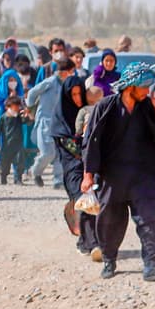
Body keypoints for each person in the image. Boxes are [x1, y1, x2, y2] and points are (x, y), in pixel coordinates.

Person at [81, 63, 155, 281]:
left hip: (143, 175)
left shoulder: (147, 106)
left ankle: (152, 266)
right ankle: (109, 259)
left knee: (150, 220)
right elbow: (90, 142)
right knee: (109, 222)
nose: (148, 91)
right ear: (130, 86)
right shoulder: (106, 107)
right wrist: (88, 175)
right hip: (112, 176)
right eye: (144, 86)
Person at [53, 60, 97, 257]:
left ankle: (88, 241)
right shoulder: (60, 122)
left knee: (96, 203)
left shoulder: (89, 114)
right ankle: (92, 243)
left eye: (81, 94)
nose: (78, 99)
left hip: (92, 165)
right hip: (73, 168)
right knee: (85, 200)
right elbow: (72, 149)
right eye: (74, 95)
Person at [26, 53, 66, 188]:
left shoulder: (67, 84)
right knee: (48, 153)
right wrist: (30, 107)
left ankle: (58, 181)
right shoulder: (50, 82)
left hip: (59, 123)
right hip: (45, 121)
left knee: (60, 153)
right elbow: (32, 93)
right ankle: (35, 171)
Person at [0, 96, 27, 184]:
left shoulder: (18, 118)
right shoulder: (3, 118)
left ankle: (18, 179)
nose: (16, 109)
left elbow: (27, 121)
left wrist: (26, 114)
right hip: (6, 145)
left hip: (18, 144)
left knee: (19, 162)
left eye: (18, 107)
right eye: (14, 107)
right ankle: (3, 177)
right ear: (7, 107)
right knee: (5, 163)